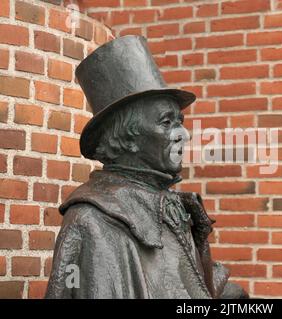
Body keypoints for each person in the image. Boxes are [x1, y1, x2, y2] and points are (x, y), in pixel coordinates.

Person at [45, 35, 248, 299]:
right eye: (166, 123)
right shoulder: (92, 222)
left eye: (180, 122)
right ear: (127, 139)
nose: (183, 135)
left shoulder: (168, 207)